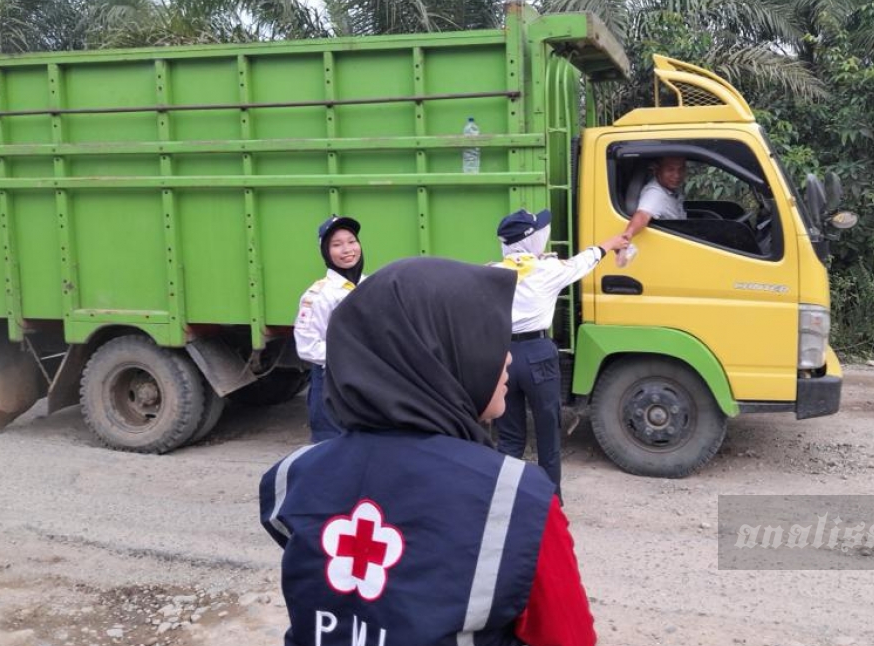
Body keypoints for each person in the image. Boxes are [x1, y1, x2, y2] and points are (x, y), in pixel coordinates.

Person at [260, 257, 597, 646]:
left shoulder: (293, 476)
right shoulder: (517, 498)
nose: (506, 358)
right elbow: (568, 638)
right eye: (487, 339)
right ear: (435, 356)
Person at [494, 208, 629, 494]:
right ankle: (550, 503)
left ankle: (505, 501)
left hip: (502, 356)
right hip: (538, 354)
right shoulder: (551, 270)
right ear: (531, 239)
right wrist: (612, 243)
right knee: (547, 433)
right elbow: (586, 259)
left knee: (509, 438)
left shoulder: (491, 272)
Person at [293, 214, 365, 442]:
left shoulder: (369, 284)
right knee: (330, 446)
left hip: (366, 378)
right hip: (332, 382)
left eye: (352, 241)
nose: (347, 249)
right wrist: (348, 354)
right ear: (325, 251)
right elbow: (307, 347)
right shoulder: (318, 295)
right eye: (337, 245)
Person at [625, 155, 687, 238]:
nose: (677, 175)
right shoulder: (655, 194)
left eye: (681, 169)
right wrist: (626, 237)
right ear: (656, 170)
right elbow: (643, 215)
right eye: (670, 169)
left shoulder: (671, 188)